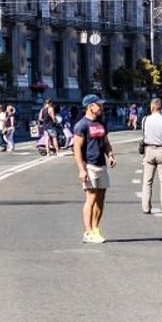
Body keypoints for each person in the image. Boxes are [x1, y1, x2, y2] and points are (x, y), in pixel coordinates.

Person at [73, 94, 116, 243]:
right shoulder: (82, 125)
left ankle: (95, 228)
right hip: (89, 165)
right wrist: (81, 169)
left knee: (101, 198)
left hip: (101, 164)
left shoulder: (101, 123)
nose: (101, 107)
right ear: (90, 106)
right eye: (99, 105)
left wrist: (110, 154)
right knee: (90, 198)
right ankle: (88, 232)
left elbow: (105, 141)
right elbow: (77, 148)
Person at [140, 98, 162, 214]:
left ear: (151, 107)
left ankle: (146, 207)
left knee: (147, 181)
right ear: (161, 108)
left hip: (148, 149)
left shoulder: (145, 120)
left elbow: (143, 133)